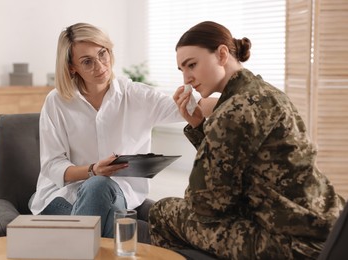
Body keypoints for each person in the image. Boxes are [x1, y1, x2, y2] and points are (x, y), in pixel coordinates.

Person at [148, 21, 345, 259]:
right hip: (325, 229)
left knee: (163, 211)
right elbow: (238, 164)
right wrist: (199, 126)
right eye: (182, 70)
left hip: (290, 244)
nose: (187, 79)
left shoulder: (234, 110)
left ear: (222, 54)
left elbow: (205, 205)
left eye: (192, 65)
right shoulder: (266, 93)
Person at [29, 22, 215, 242]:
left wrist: (241, 99)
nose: (100, 66)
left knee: (102, 194)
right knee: (99, 189)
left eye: (102, 54)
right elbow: (52, 165)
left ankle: (83, 245)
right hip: (63, 198)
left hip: (117, 195)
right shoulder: (57, 102)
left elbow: (194, 107)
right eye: (87, 61)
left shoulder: (135, 95)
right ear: (71, 67)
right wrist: (93, 170)